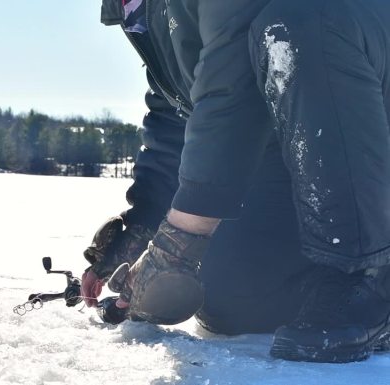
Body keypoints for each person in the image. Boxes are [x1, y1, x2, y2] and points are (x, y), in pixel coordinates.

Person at [81, 0, 390, 363]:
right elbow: (174, 113)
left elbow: (229, 89)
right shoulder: (139, 10)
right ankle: (330, 278)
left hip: (361, 91)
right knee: (227, 294)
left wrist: (178, 241)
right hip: (302, 143)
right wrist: (142, 228)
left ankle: (364, 270)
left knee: (299, 23)